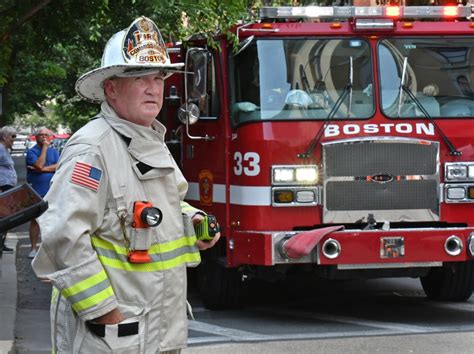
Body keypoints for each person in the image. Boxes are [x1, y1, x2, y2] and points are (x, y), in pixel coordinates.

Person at [32, 16, 220, 354]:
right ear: (111, 88)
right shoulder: (93, 149)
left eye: (158, 77)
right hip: (112, 337)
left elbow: (166, 205)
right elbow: (63, 235)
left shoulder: (149, 139)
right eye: (139, 78)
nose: (153, 87)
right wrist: (104, 312)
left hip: (154, 332)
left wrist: (190, 220)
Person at [25, 127, 60, 258]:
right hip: (36, 190)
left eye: (47, 135)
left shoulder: (55, 152)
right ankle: (33, 248)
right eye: (41, 135)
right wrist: (45, 148)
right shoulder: (31, 152)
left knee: (52, 220)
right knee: (35, 219)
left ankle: (49, 249)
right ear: (36, 137)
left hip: (52, 189)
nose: (44, 137)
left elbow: (59, 166)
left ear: (51, 137)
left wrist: (42, 169)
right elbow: (38, 164)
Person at [0, 126, 18, 254]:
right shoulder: (0, 149)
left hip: (7, 187)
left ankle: (2, 244)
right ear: (4, 136)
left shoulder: (5, 149)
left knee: (7, 215)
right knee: (4, 215)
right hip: (3, 187)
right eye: (12, 136)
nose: (14, 139)